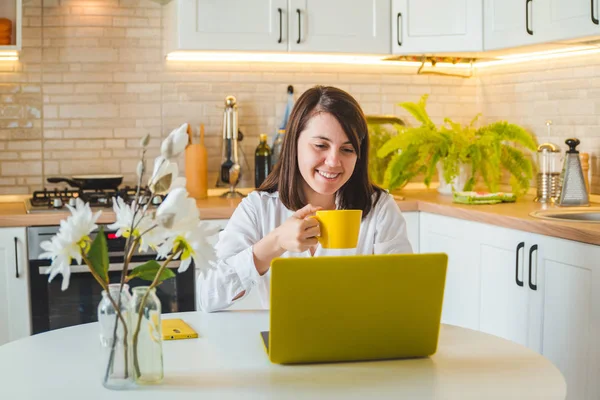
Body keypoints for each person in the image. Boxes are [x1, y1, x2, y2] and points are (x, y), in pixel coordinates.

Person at [197, 85, 413, 312]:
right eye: (321, 145)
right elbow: (207, 296)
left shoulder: (380, 209)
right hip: (285, 343)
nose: (333, 161)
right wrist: (275, 243)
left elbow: (404, 297)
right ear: (294, 143)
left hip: (359, 344)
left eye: (347, 150)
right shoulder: (259, 208)